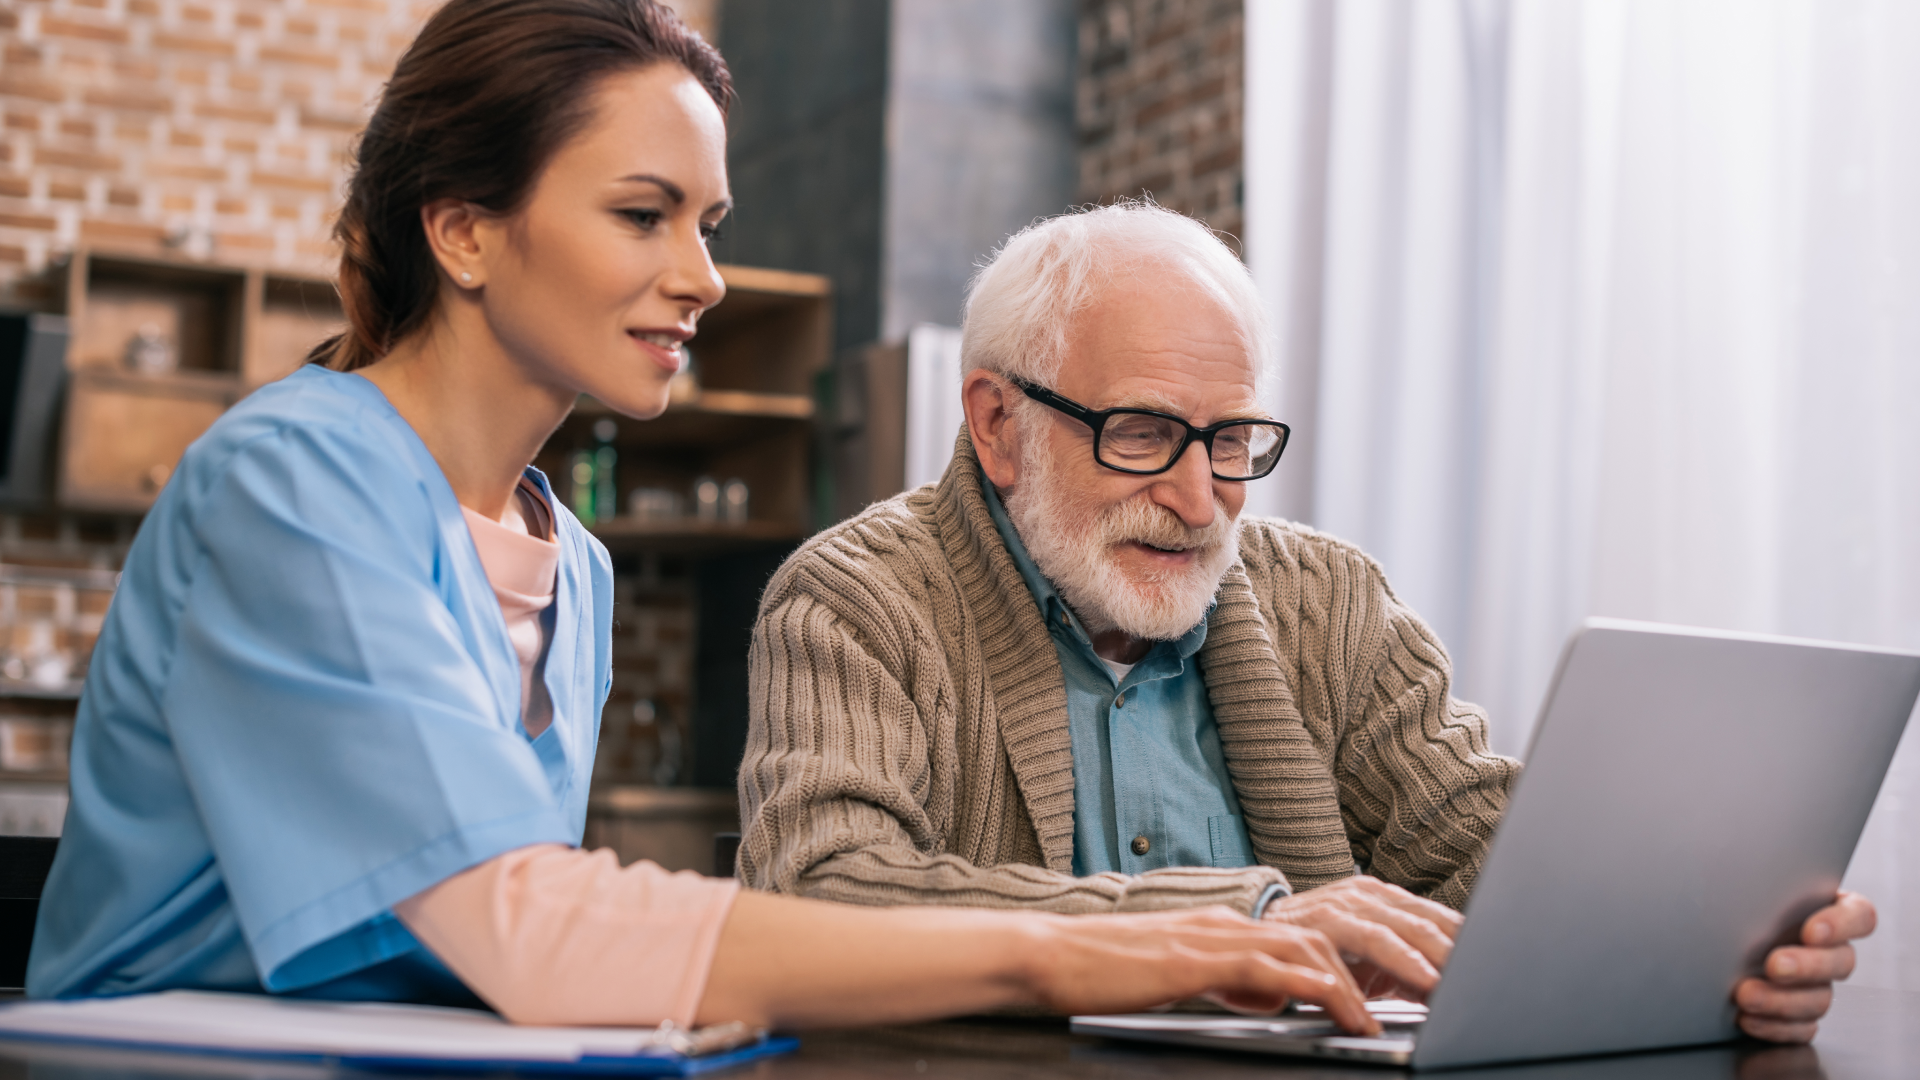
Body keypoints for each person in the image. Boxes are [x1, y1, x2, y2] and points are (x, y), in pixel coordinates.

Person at [25, 0, 1391, 1036]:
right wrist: (1073, 950)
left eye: (710, 224)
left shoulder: (581, 567)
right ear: (463, 231)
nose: (704, 277)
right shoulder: (291, 481)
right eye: (643, 215)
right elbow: (526, 929)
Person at [735, 200, 1876, 1043]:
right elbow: (822, 896)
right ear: (997, 424)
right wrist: (1244, 918)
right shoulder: (855, 599)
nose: (1198, 500)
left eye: (1231, 442)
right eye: (1140, 433)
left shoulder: (1328, 600)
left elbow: (1483, 851)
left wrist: (1704, 928)